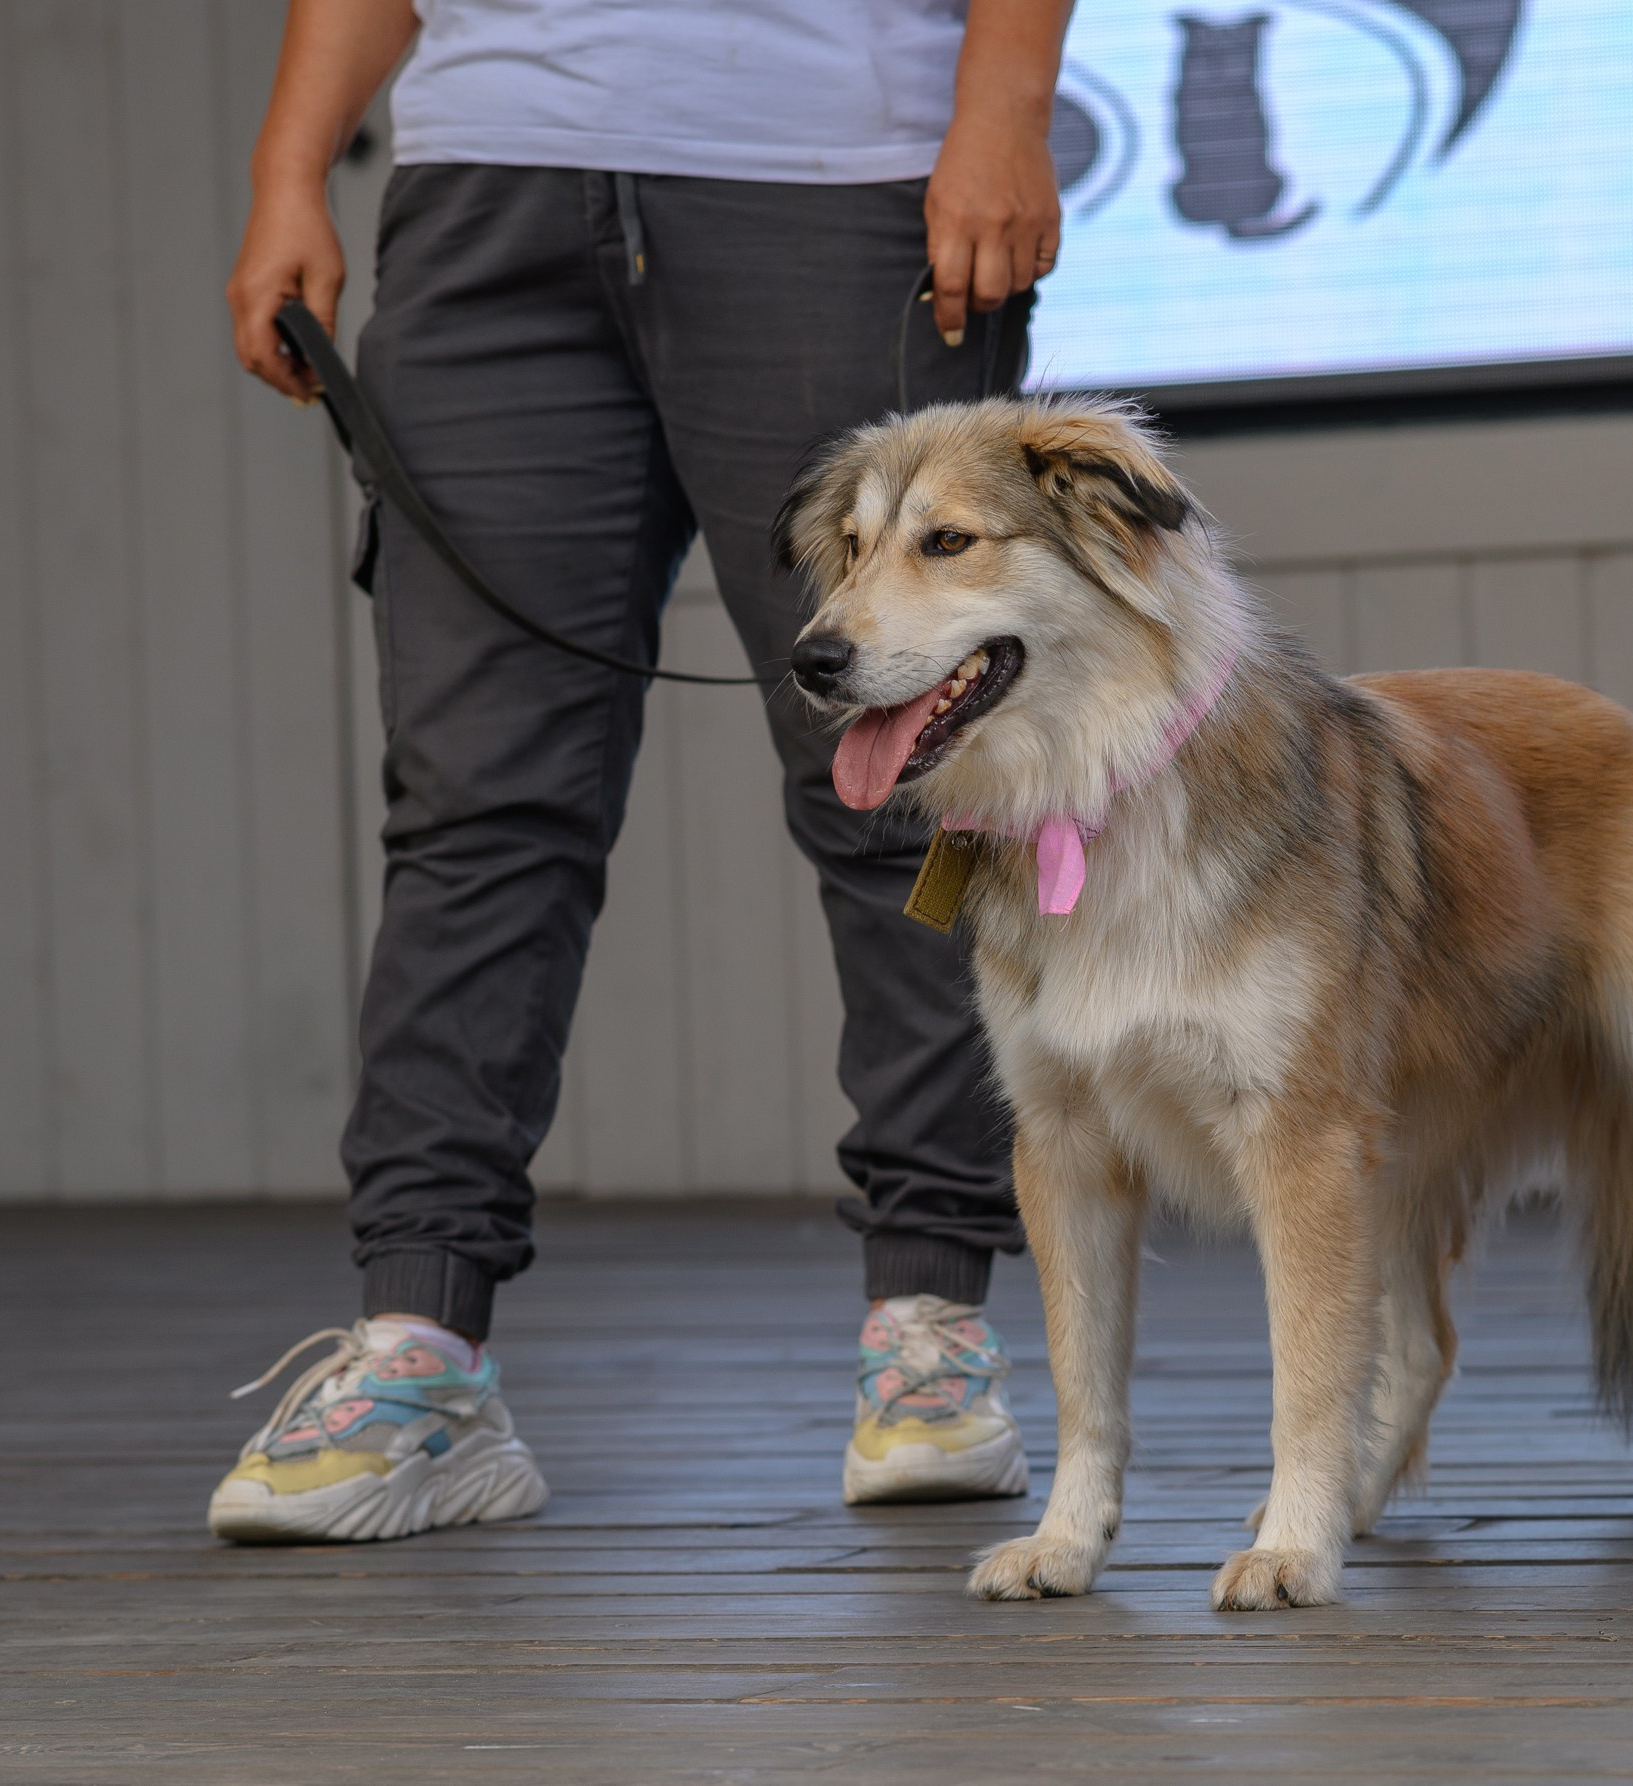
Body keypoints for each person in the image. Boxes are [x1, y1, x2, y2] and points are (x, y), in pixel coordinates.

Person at [205, 0, 1073, 1543]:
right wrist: (290, 166)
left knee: (903, 779)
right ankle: (423, 1344)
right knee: (475, 799)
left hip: (824, 167)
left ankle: (931, 1326)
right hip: (487, 183)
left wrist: (1003, 101)